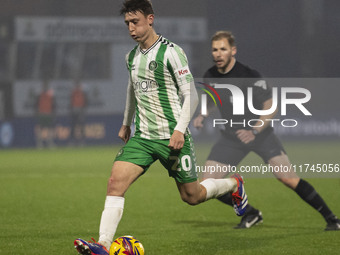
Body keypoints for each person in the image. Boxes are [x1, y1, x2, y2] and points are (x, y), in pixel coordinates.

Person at [73, 2, 249, 255]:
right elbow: (131, 90)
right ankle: (102, 244)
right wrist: (126, 123)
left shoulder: (171, 52)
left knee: (192, 196)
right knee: (115, 183)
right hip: (143, 138)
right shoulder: (131, 57)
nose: (131, 29)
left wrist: (179, 130)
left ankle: (233, 184)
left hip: (172, 139)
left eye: (135, 22)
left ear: (150, 19)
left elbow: (192, 95)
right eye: (127, 24)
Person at [193, 30, 340, 230]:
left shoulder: (249, 75)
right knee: (207, 184)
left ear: (233, 50)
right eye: (215, 50)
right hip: (231, 138)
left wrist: (254, 131)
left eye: (223, 49)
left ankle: (332, 219)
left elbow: (271, 105)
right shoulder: (210, 75)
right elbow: (213, 101)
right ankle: (251, 213)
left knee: (288, 179)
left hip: (261, 136)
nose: (218, 54)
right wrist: (203, 115)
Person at [35, 80, 55, 148]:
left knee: (50, 129)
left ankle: (50, 142)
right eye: (44, 85)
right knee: (40, 129)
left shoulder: (50, 95)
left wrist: (53, 112)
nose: (45, 87)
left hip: (48, 113)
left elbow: (53, 104)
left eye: (46, 85)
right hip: (42, 113)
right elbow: (36, 104)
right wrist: (37, 112)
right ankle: (39, 143)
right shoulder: (40, 95)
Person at [70, 80, 87, 146]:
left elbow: (85, 102)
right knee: (73, 126)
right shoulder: (73, 93)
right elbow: (71, 102)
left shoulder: (82, 93)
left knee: (81, 126)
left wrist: (83, 109)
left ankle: (82, 141)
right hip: (74, 110)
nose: (77, 87)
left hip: (80, 110)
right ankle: (72, 141)